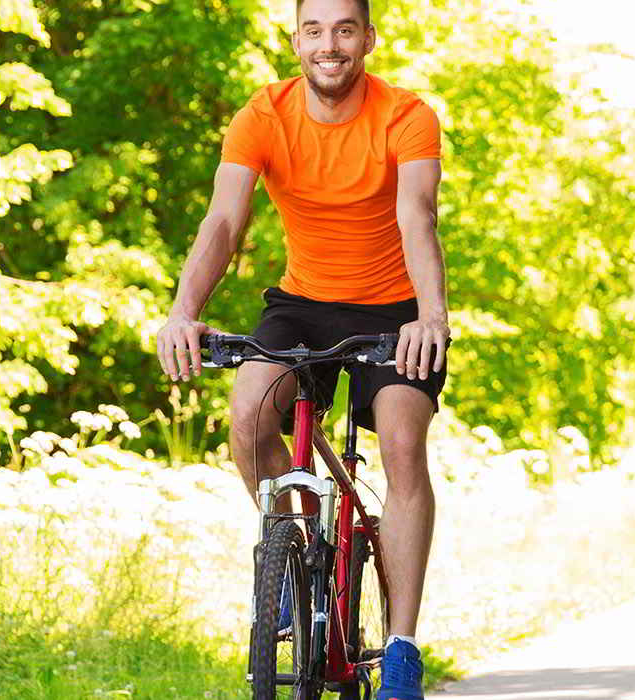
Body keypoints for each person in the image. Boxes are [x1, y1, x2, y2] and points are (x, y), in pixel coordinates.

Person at [150, 0, 448, 696]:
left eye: (345, 29)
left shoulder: (407, 114)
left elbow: (417, 216)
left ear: (367, 39)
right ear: (296, 41)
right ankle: (295, 546)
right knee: (249, 416)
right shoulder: (264, 115)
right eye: (315, 30)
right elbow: (225, 218)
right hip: (303, 303)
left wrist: (430, 316)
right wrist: (181, 313)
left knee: (403, 441)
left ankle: (402, 647)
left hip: (395, 309)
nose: (330, 44)